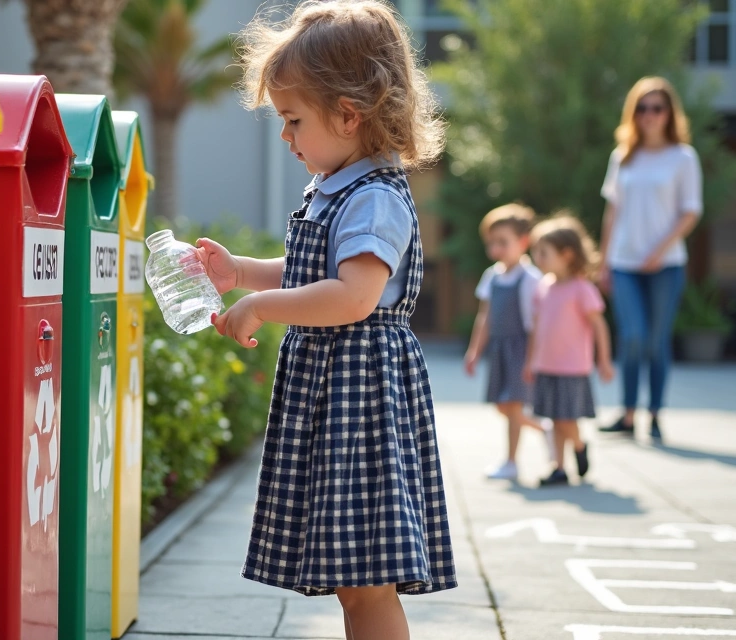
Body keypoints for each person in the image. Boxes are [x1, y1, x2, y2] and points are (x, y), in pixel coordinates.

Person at [194, 2, 455, 638]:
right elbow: (311, 271)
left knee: (366, 581)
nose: (286, 137)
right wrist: (242, 274)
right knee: (352, 580)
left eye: (293, 121)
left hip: (360, 401)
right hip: (336, 396)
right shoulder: (338, 187)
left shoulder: (374, 198)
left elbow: (351, 297)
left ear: (348, 113)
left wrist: (260, 307)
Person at [598, 76, 703, 443]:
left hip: (666, 264)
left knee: (657, 340)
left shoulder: (683, 157)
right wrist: (604, 261)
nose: (649, 115)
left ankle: (655, 413)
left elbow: (690, 213)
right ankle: (628, 415)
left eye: (657, 108)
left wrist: (658, 252)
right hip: (625, 263)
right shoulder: (623, 156)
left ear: (669, 113)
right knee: (633, 337)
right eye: (642, 108)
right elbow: (612, 212)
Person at [524, 216, 615, 487]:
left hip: (572, 367)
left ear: (567, 254)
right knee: (553, 419)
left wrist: (604, 360)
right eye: (536, 251)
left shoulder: (582, 289)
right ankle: (559, 467)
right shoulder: (543, 287)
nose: (537, 258)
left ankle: (578, 444)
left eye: (543, 252)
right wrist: (530, 362)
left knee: (565, 419)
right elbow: (538, 329)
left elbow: (599, 327)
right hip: (546, 366)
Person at [465, 204, 552, 480]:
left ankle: (511, 461)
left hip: (521, 349)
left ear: (523, 242)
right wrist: (474, 351)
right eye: (492, 243)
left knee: (513, 406)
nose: (496, 249)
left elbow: (536, 323)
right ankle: (544, 428)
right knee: (503, 406)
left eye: (503, 242)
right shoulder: (492, 276)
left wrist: (533, 359)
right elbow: (485, 317)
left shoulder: (531, 279)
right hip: (500, 349)